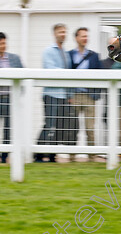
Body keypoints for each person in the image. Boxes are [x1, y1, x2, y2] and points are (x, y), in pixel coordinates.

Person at [0, 32, 23, 164]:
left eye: (4, 42)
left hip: (10, 99)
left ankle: (4, 157)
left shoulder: (15, 59)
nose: (3, 45)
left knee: (8, 130)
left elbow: (22, 77)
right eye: (0, 43)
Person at [37, 24, 73, 163]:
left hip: (63, 95)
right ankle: (38, 154)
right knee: (49, 125)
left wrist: (69, 95)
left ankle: (52, 156)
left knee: (59, 126)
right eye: (60, 32)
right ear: (54, 34)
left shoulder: (66, 53)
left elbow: (69, 76)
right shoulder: (48, 51)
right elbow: (50, 68)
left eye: (64, 32)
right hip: (51, 94)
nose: (63, 34)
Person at [68, 27, 103, 161]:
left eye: (86, 36)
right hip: (74, 96)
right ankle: (71, 156)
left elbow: (100, 76)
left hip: (89, 97)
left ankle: (92, 156)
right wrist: (69, 96)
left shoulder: (94, 56)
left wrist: (95, 95)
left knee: (90, 128)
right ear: (76, 38)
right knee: (72, 127)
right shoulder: (70, 54)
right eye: (82, 36)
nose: (85, 38)